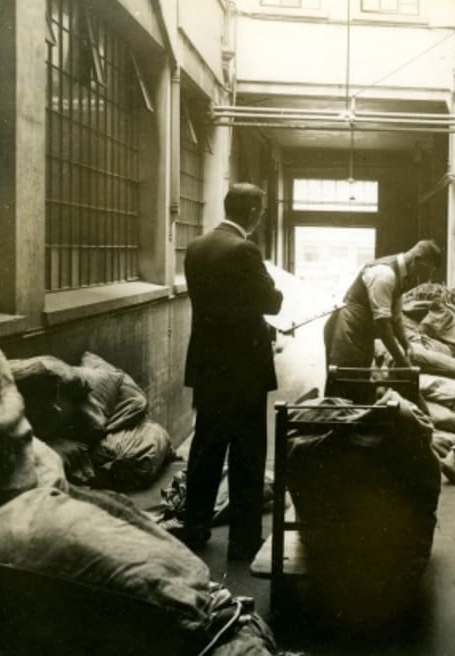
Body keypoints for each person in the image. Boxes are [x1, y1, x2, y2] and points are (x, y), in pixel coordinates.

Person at [180, 183, 283, 561]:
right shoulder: (244, 250)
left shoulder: (197, 247)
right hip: (243, 372)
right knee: (247, 454)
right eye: (262, 209)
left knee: (205, 450)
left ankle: (195, 528)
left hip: (208, 366)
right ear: (253, 210)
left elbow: (222, 306)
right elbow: (270, 301)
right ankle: (243, 541)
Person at [323, 240, 441, 400]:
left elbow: (396, 318)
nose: (428, 278)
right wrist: (401, 362)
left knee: (360, 382)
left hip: (363, 332)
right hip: (347, 329)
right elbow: (383, 324)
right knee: (344, 382)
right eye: (428, 271)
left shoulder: (401, 277)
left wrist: (406, 345)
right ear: (417, 260)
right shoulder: (384, 275)